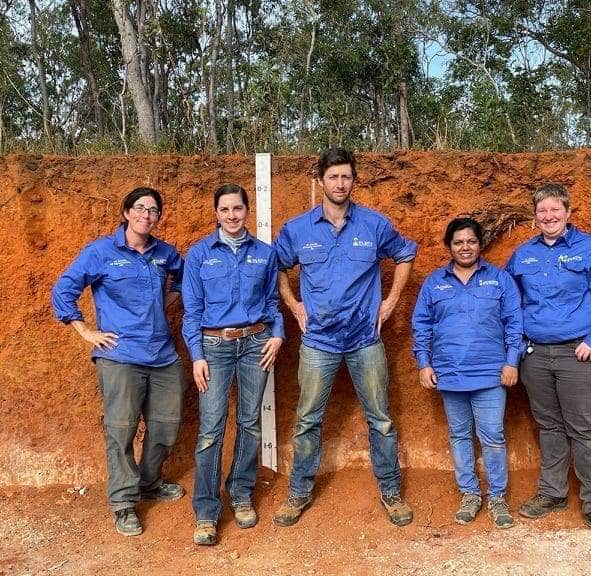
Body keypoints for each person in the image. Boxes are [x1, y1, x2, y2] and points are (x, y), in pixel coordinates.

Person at [272, 147, 417, 527]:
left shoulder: (374, 225)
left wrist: (390, 301)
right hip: (318, 341)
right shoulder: (297, 229)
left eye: (346, 177)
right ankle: (299, 492)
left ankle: (390, 490)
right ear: (319, 181)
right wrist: (294, 305)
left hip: (364, 340)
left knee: (380, 419)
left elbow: (405, 255)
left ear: (354, 180)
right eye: (332, 177)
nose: (340, 183)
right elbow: (278, 267)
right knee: (307, 419)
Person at [51, 187, 186, 537]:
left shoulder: (164, 253)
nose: (147, 214)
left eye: (154, 210)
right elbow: (64, 289)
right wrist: (86, 331)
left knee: (165, 426)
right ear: (126, 212)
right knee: (122, 429)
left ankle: (150, 482)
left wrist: (164, 305)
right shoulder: (100, 252)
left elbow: (186, 280)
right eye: (140, 208)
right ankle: (124, 502)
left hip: (163, 355)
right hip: (120, 356)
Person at [505, 183, 591, 536]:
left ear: (568, 212)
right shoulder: (522, 255)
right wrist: (515, 350)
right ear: (535, 216)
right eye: (542, 211)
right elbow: (509, 304)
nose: (548, 216)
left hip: (580, 356)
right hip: (536, 357)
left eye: (555, 210)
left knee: (585, 429)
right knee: (550, 427)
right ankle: (552, 493)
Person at [182, 183, 285, 546]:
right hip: (214, 346)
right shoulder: (198, 255)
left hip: (256, 343)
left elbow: (273, 301)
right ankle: (207, 511)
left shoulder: (265, 254)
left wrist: (278, 334)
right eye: (224, 210)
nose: (231, 216)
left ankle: (240, 494)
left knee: (250, 422)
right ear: (216, 213)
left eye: (237, 209)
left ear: (247, 211)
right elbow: (191, 311)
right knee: (211, 429)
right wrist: (196, 355)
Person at [412, 218, 522, 529]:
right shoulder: (434, 283)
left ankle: (497, 497)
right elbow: (421, 326)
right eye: (458, 242)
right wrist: (424, 363)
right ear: (449, 246)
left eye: (471, 241)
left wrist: (511, 361)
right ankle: (470, 494)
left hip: (490, 376)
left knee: (493, 437)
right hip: (450, 375)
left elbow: (514, 324)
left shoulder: (500, 280)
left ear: (480, 244)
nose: (465, 247)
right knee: (460, 436)